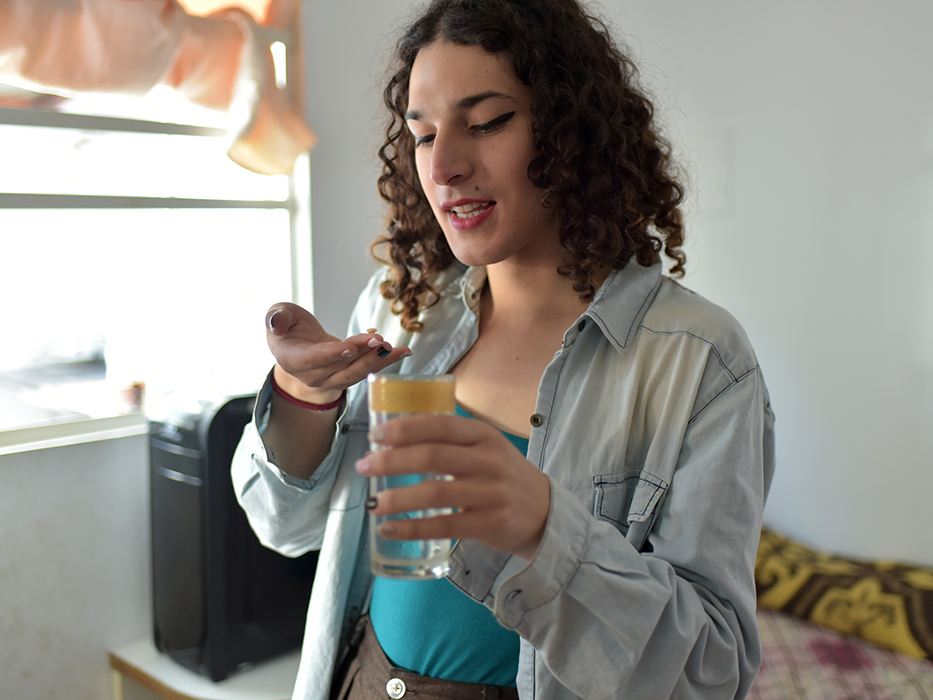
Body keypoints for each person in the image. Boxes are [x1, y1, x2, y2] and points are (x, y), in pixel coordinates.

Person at [231, 0, 775, 698]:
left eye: (486, 122)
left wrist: (545, 531)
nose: (446, 166)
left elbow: (713, 673)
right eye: (423, 136)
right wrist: (304, 399)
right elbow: (286, 528)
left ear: (571, 130)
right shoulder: (401, 307)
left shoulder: (699, 361)